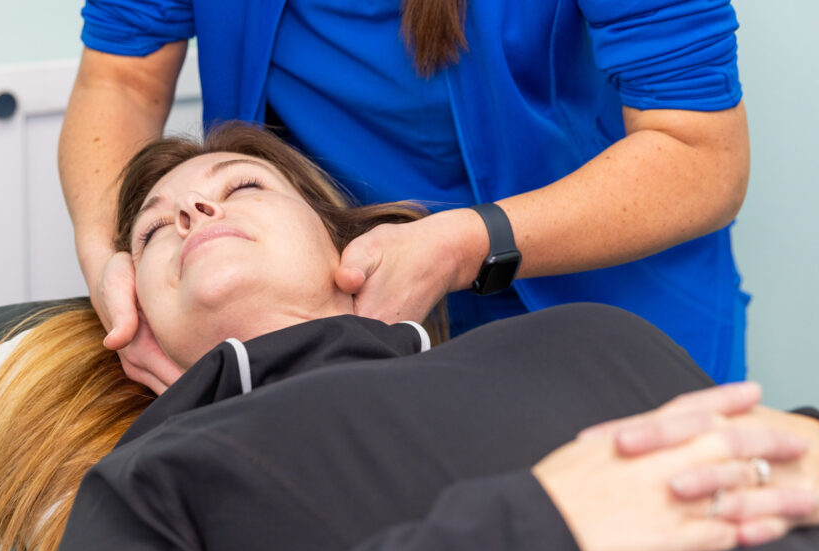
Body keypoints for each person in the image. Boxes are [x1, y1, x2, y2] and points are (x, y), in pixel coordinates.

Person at [0, 124, 819, 551]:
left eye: (242, 187)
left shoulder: (589, 337)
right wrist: (539, 529)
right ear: (139, 327)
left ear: (348, 247)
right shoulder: (146, 485)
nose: (193, 213)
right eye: (157, 229)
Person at [59, 0, 752, 395]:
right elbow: (120, 82)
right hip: (344, 337)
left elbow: (702, 155)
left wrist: (462, 244)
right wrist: (107, 259)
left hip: (606, 303)